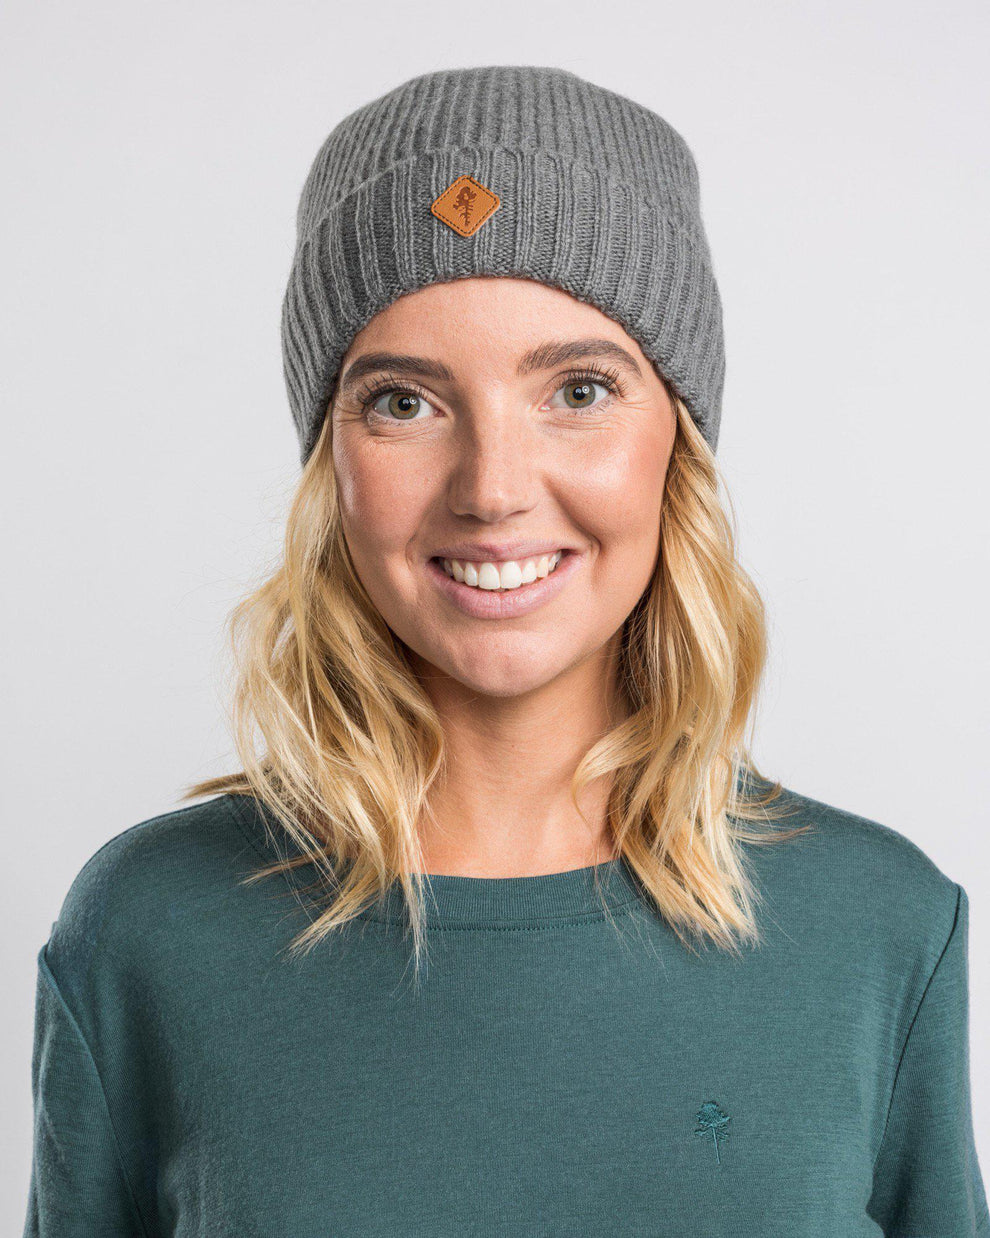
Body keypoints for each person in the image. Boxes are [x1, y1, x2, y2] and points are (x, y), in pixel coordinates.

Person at [23, 64, 988, 1237]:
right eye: (404, 401)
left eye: (578, 389)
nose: (491, 488)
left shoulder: (878, 929)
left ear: (676, 443)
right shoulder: (151, 931)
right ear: (332, 463)